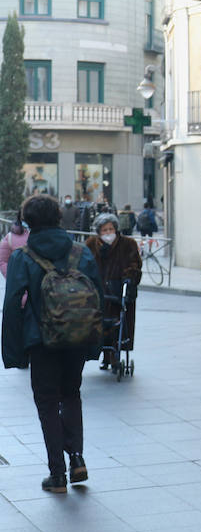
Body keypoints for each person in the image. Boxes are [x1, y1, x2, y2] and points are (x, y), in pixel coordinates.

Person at [2, 194, 102, 493]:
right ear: (59, 217)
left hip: (41, 340)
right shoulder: (81, 252)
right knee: (71, 394)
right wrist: (95, 344)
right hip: (77, 338)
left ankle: (57, 474)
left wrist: (13, 352)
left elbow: (12, 305)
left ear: (28, 222)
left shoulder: (23, 256)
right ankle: (77, 459)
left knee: (47, 401)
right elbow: (97, 296)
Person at [85, 213, 142, 371]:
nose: (108, 233)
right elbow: (84, 264)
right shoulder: (90, 244)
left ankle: (115, 356)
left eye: (111, 229)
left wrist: (129, 278)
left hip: (119, 290)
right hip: (98, 291)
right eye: (104, 230)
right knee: (100, 324)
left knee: (119, 324)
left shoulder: (128, 244)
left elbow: (135, 264)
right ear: (99, 231)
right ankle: (104, 355)